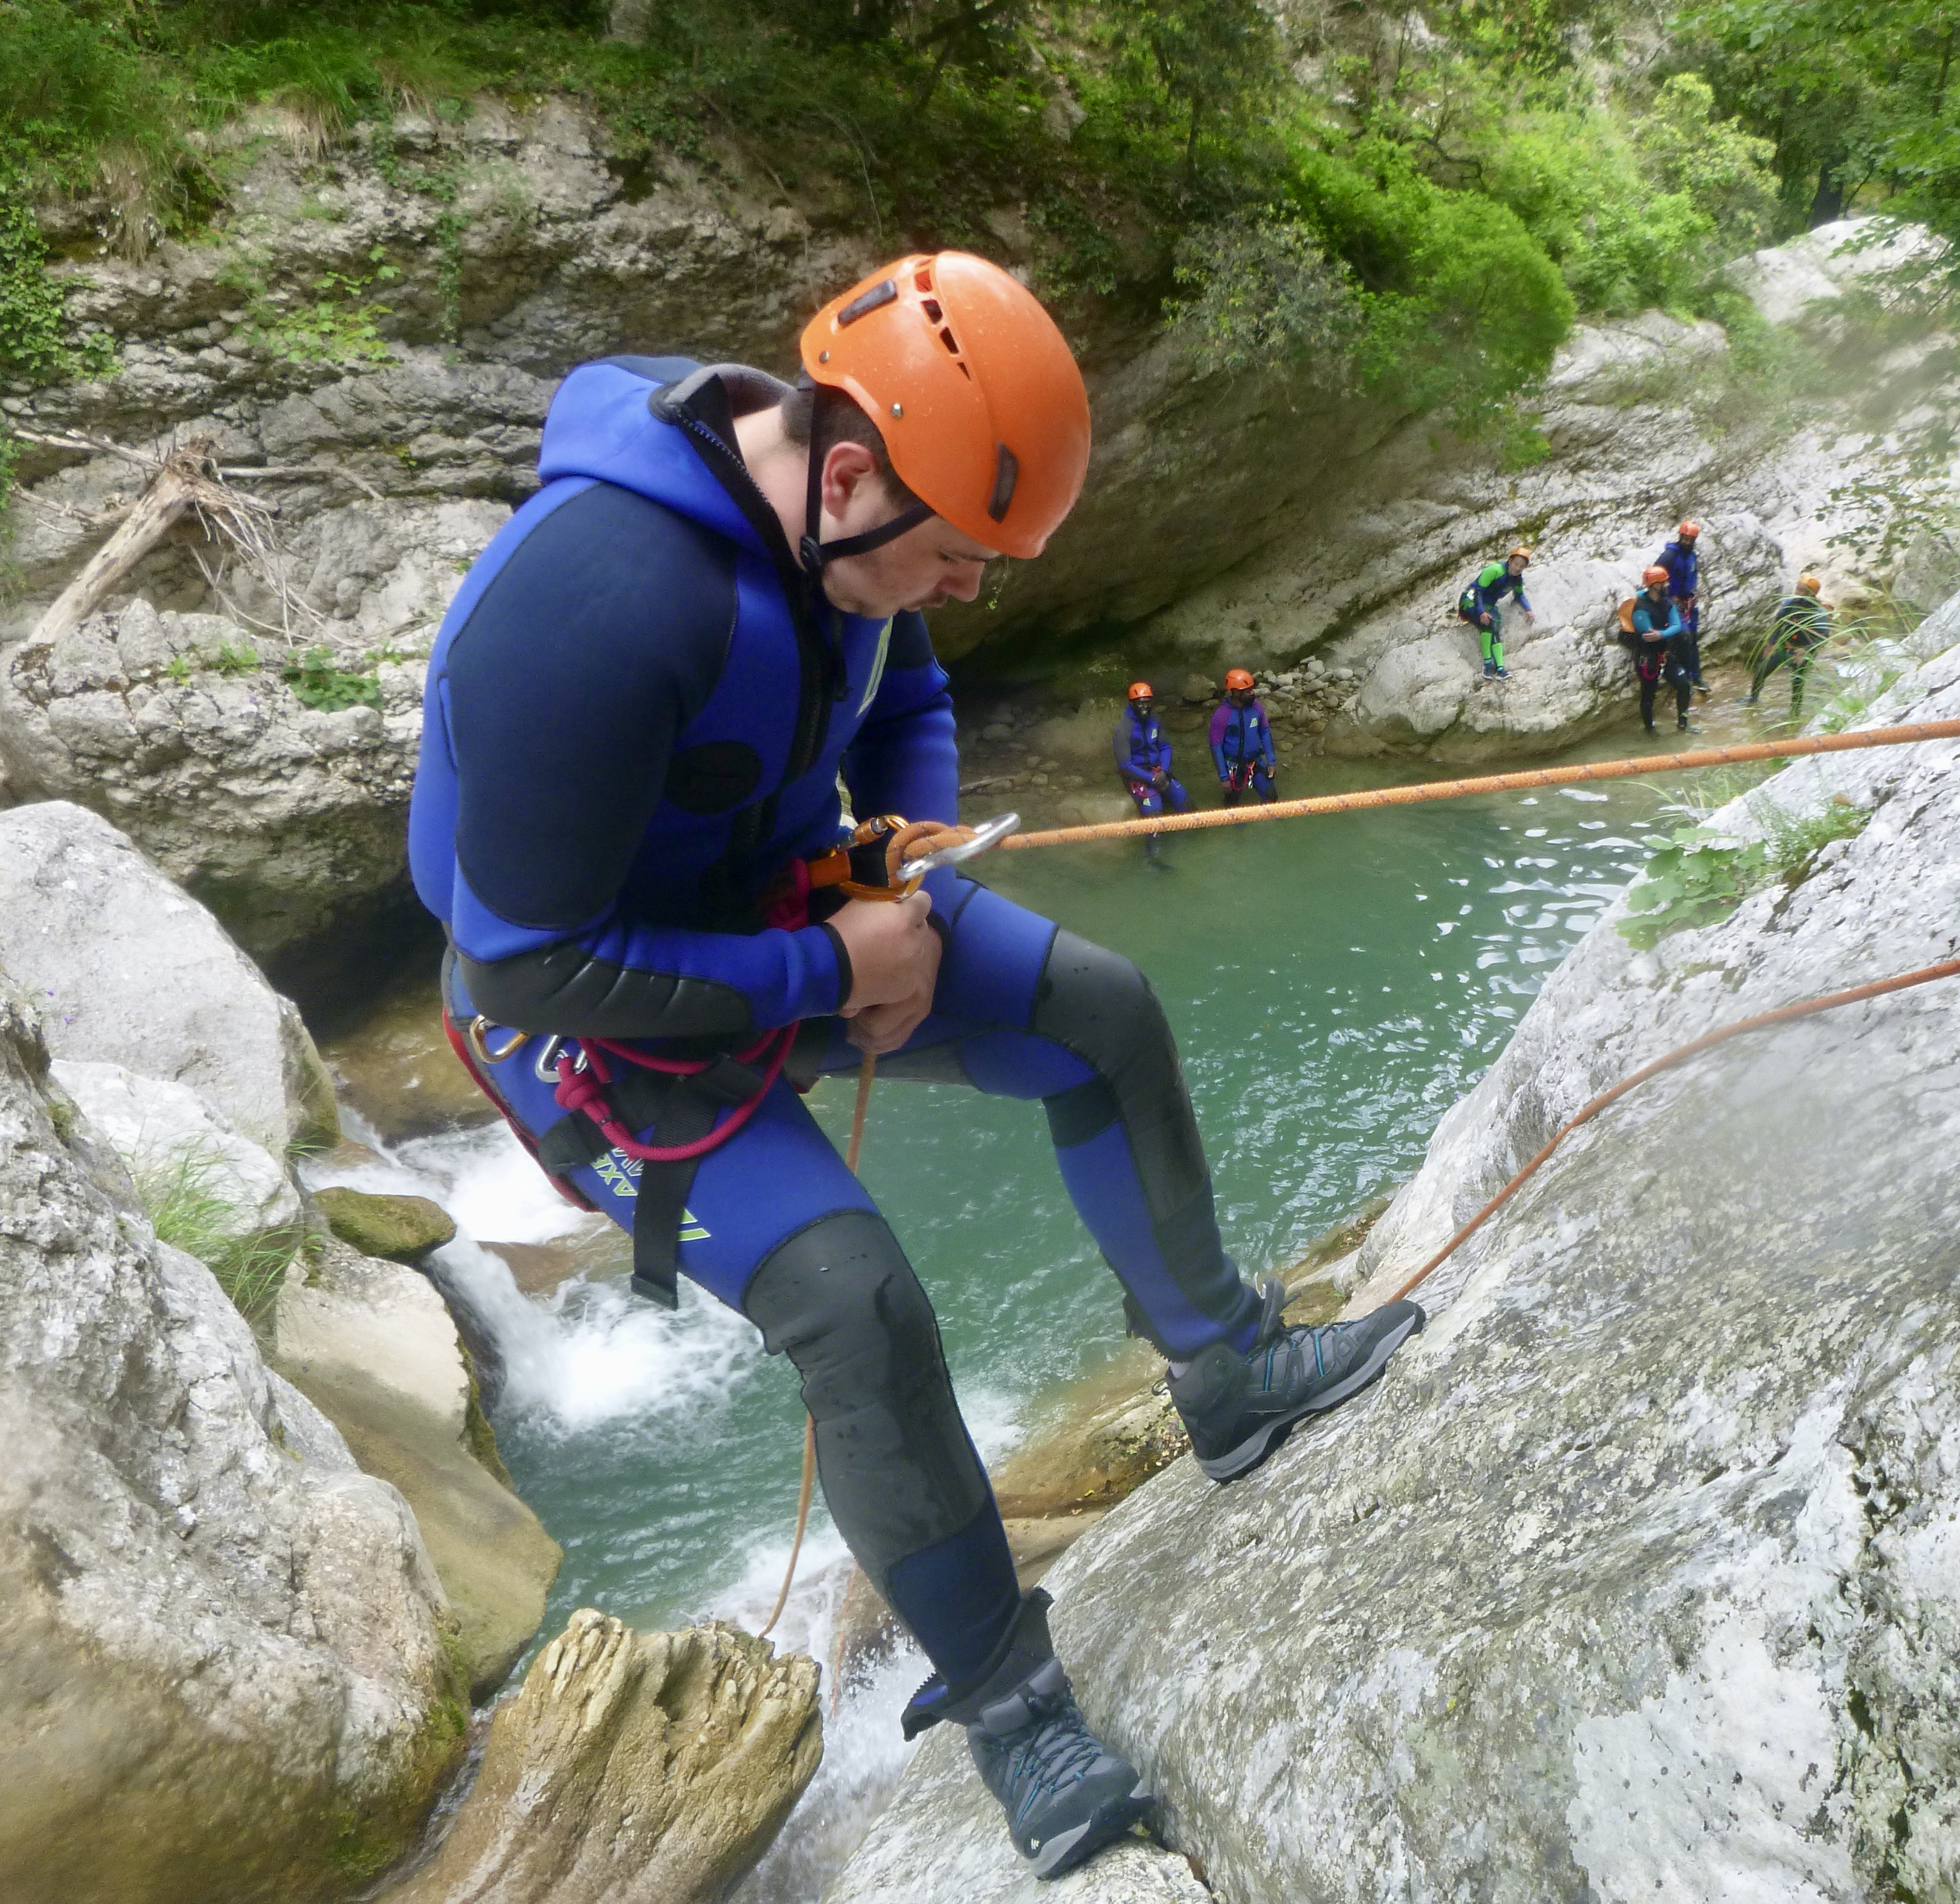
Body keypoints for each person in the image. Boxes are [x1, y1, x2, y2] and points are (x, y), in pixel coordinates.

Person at [408, 253, 1424, 1881]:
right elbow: (527, 956)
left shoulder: (847, 531)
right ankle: (1015, 1708)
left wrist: (905, 843)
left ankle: (1226, 1374)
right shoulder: (592, 607)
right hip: (595, 1012)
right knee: (856, 1303)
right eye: (954, 554)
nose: (964, 588)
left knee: (1100, 1006)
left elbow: (907, 683)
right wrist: (831, 969)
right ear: (853, 472)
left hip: (788, 900)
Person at [1617, 563, 1692, 733]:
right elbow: (1648, 634)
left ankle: (1683, 722)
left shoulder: (1667, 603)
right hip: (1648, 657)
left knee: (1684, 686)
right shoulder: (1641, 609)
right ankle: (1649, 729)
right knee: (1648, 694)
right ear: (1654, 586)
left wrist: (1662, 634)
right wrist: (1663, 634)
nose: (1667, 585)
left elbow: (1677, 625)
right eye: (1664, 583)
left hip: (1664, 653)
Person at [1753, 572, 1834, 719]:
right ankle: (1752, 699)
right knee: (1761, 670)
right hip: (1786, 646)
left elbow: (1823, 638)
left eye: (1802, 591)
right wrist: (1771, 643)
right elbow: (1779, 623)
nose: (1798, 593)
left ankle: (1794, 715)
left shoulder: (1818, 612)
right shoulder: (1789, 604)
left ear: (1811, 594)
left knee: (1797, 684)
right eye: (1798, 589)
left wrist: (1806, 651)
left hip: (1803, 651)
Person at [1117, 681, 1189, 825]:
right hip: (1138, 775)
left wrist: (1164, 771)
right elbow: (1125, 765)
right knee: (1155, 819)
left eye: (1148, 703)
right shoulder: (1124, 729)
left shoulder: (1155, 720)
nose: (1145, 708)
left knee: (1188, 808)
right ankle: (1153, 848)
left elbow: (1165, 747)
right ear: (1132, 704)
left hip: (1158, 771)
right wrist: (1152, 780)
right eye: (1141, 703)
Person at [1207, 668, 1277, 806]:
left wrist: (1271, 761)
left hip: (1254, 761)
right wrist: (1224, 777)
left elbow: (1265, 732)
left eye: (1251, 689)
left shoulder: (1256, 708)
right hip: (1233, 765)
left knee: (1271, 797)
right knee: (1232, 804)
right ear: (1236, 692)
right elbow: (1216, 747)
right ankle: (1235, 825)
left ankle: (1266, 823)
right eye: (1247, 691)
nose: (1252, 693)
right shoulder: (1222, 715)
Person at [1462, 545, 1532, 679]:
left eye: (1522, 566)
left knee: (1496, 625)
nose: (1518, 568)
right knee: (1488, 624)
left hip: (1489, 604)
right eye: (1516, 564)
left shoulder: (1517, 580)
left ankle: (1500, 669)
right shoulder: (1495, 570)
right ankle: (1488, 664)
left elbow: (1519, 595)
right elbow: (1478, 591)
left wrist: (1528, 610)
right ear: (1510, 561)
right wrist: (1481, 612)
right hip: (1471, 599)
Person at [1657, 518, 1708, 696]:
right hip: (1673, 602)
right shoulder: (1670, 556)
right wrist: (1666, 598)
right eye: (1684, 538)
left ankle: (1696, 676)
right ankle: (1684, 677)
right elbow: (1656, 577)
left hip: (1689, 603)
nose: (1686, 542)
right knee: (1684, 637)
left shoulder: (1692, 556)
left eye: (1690, 540)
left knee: (1693, 639)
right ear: (1680, 537)